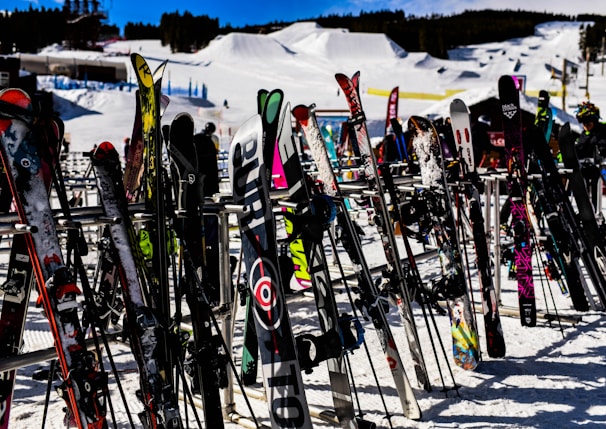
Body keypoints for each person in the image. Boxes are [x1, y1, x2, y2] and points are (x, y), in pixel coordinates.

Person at [574, 101, 606, 207]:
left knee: (596, 185)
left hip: (599, 168)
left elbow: (602, 146)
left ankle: (595, 210)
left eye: (588, 123)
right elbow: (579, 148)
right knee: (585, 191)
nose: (586, 126)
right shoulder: (584, 135)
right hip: (586, 169)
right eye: (584, 124)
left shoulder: (601, 132)